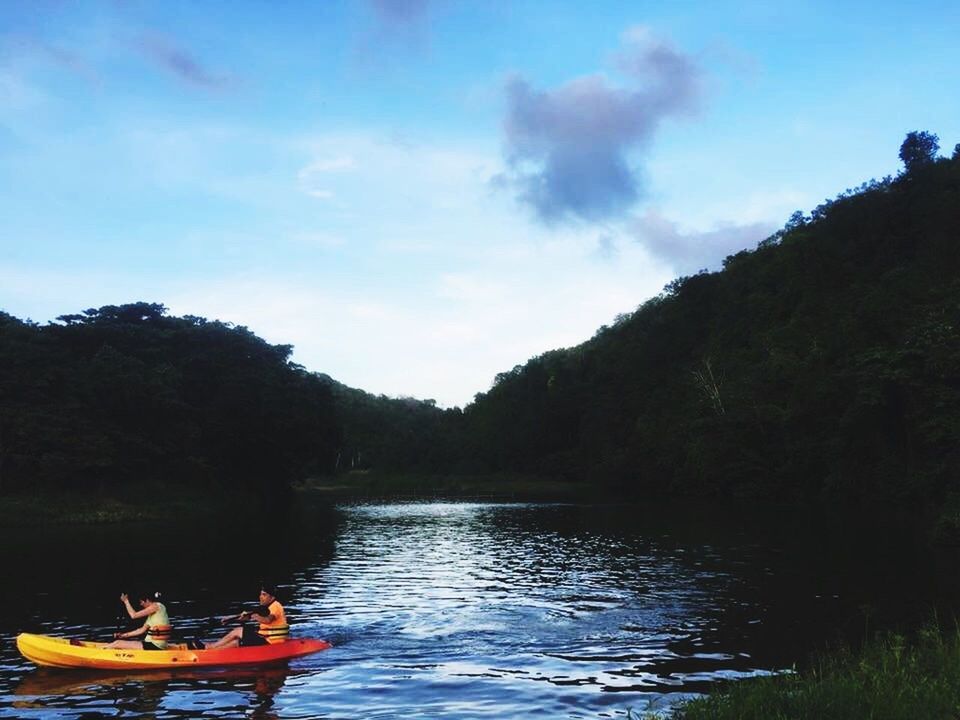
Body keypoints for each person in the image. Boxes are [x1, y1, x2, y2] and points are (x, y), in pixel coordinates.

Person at [202, 585, 290, 650]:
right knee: (236, 642)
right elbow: (246, 617)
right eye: (260, 594)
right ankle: (213, 651)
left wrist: (255, 616)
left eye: (264, 595)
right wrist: (230, 619)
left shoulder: (275, 606)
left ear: (272, 597)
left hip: (272, 642)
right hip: (265, 638)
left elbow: (268, 620)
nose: (260, 597)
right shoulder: (265, 607)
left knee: (239, 630)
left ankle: (211, 647)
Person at [101, 591, 172, 650]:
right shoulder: (153, 615)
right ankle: (106, 647)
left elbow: (133, 615)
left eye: (142, 602)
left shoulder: (156, 606)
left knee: (117, 643)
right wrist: (123, 635)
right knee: (118, 642)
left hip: (154, 646)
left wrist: (126, 601)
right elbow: (140, 630)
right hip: (157, 645)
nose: (141, 605)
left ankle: (99, 651)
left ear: (147, 600)